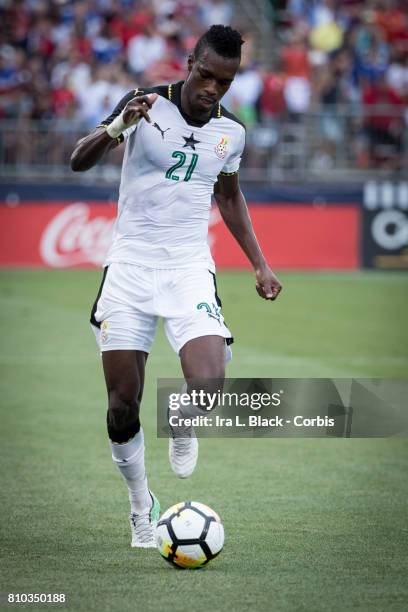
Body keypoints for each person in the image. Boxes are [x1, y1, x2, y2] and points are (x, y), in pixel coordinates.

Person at [70, 25, 282, 549]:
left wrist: (259, 263)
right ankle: (141, 506)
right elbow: (79, 160)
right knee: (122, 403)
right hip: (130, 268)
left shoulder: (231, 133)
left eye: (224, 82)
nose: (212, 88)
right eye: (206, 75)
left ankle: (181, 422)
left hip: (189, 267)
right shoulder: (145, 104)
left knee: (207, 385)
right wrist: (119, 125)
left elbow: (230, 198)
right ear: (190, 62)